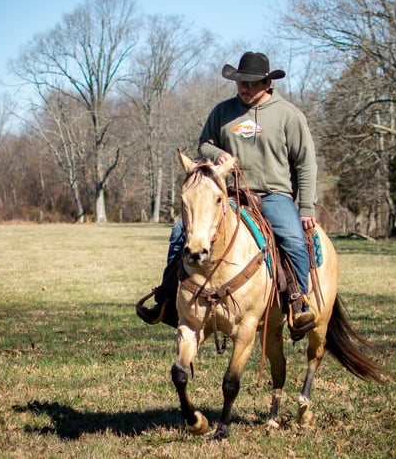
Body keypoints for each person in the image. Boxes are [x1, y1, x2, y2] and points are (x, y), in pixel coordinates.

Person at [136, 51, 318, 332]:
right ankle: (166, 298)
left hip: (273, 195)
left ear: (267, 83)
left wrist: (306, 207)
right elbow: (204, 144)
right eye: (240, 83)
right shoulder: (223, 111)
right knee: (178, 232)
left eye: (251, 83)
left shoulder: (289, 115)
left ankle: (298, 303)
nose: (243, 89)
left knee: (293, 240)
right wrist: (219, 153)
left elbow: (305, 163)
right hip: (229, 194)